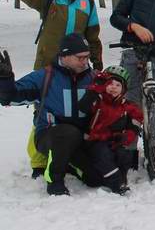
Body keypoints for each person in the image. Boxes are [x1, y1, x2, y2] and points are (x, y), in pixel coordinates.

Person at [9, 0, 103, 178]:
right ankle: (40, 162)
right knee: (41, 111)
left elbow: (93, 35)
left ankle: (69, 154)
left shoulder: (87, 2)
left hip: (77, 67)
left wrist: (97, 62)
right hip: (48, 64)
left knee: (73, 110)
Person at [0, 34, 100, 195]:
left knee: (96, 178)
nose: (85, 61)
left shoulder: (93, 78)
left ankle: (68, 164)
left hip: (81, 139)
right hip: (50, 135)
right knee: (67, 132)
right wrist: (5, 80)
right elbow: (10, 98)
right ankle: (55, 180)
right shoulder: (45, 76)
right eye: (80, 57)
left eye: (87, 57)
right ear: (65, 56)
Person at [78, 65, 143, 194]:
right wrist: (95, 88)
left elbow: (136, 121)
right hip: (95, 141)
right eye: (110, 84)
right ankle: (116, 183)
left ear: (123, 90)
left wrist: (126, 136)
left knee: (124, 155)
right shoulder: (98, 100)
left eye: (118, 85)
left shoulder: (126, 106)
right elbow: (83, 107)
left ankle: (120, 176)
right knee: (103, 157)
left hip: (114, 141)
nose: (113, 87)